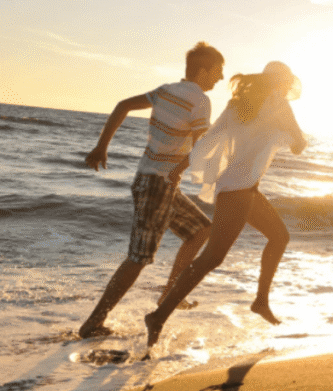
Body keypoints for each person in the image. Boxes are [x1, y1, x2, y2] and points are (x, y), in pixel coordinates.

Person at [144, 61, 307, 350]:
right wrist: (292, 138)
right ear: (281, 82)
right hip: (239, 191)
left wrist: (182, 167)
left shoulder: (238, 104)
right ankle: (158, 316)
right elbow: (299, 143)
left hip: (236, 187)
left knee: (280, 236)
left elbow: (208, 140)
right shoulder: (280, 104)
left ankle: (260, 301)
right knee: (212, 258)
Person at [78, 41, 224, 339]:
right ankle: (92, 323)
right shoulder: (199, 100)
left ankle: (170, 295)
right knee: (139, 257)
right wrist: (179, 170)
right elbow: (201, 148)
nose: (220, 79)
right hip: (158, 183)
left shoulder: (165, 90)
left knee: (200, 231)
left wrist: (101, 146)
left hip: (153, 181)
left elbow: (123, 105)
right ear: (204, 70)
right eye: (218, 72)